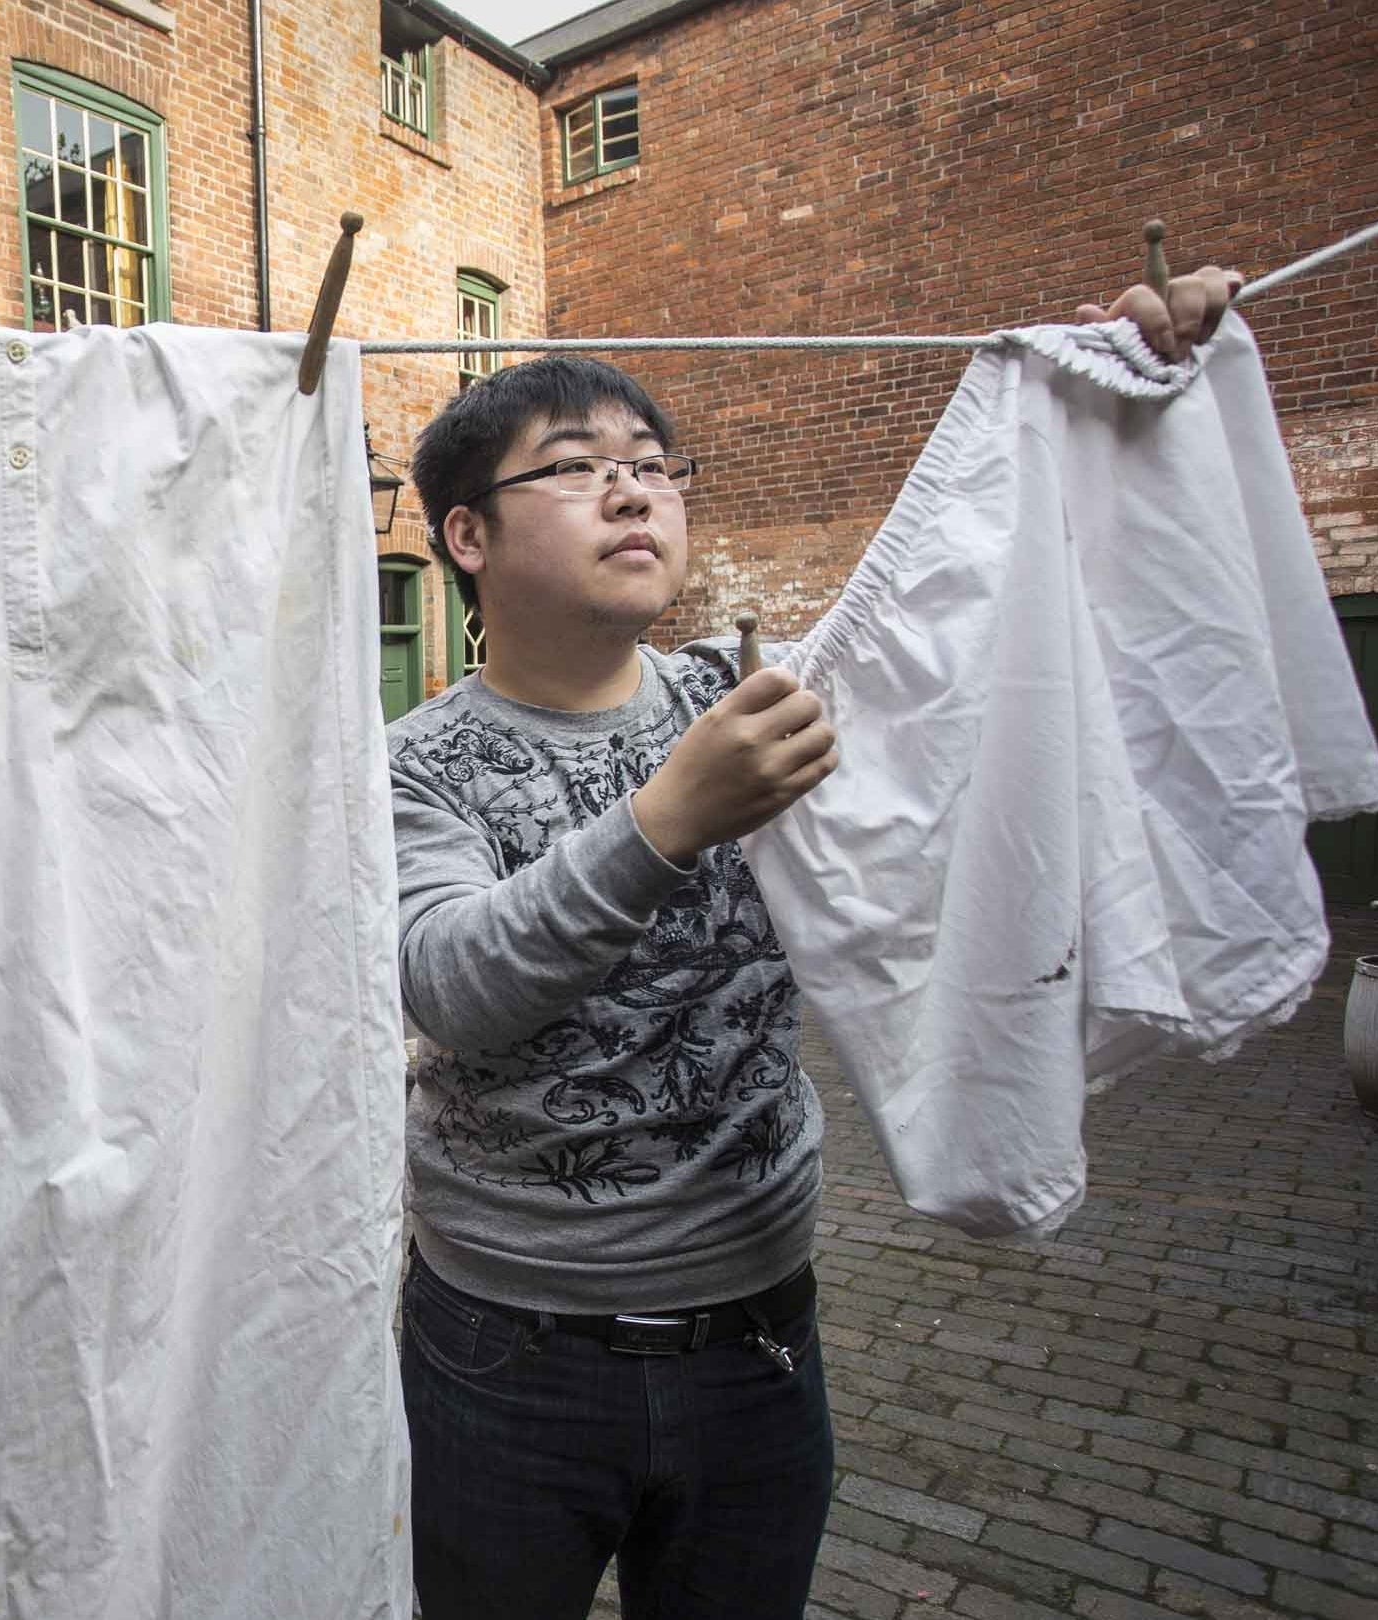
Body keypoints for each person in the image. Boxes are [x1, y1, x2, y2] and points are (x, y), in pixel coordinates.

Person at [386, 267, 1241, 1619]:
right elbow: (450, 984)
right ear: (468, 536)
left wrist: (1115, 398)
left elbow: (978, 618)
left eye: (655, 465)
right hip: (507, 1355)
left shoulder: (767, 698)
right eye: (573, 467)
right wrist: (669, 817)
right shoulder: (412, 764)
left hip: (760, 1343)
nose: (633, 490)